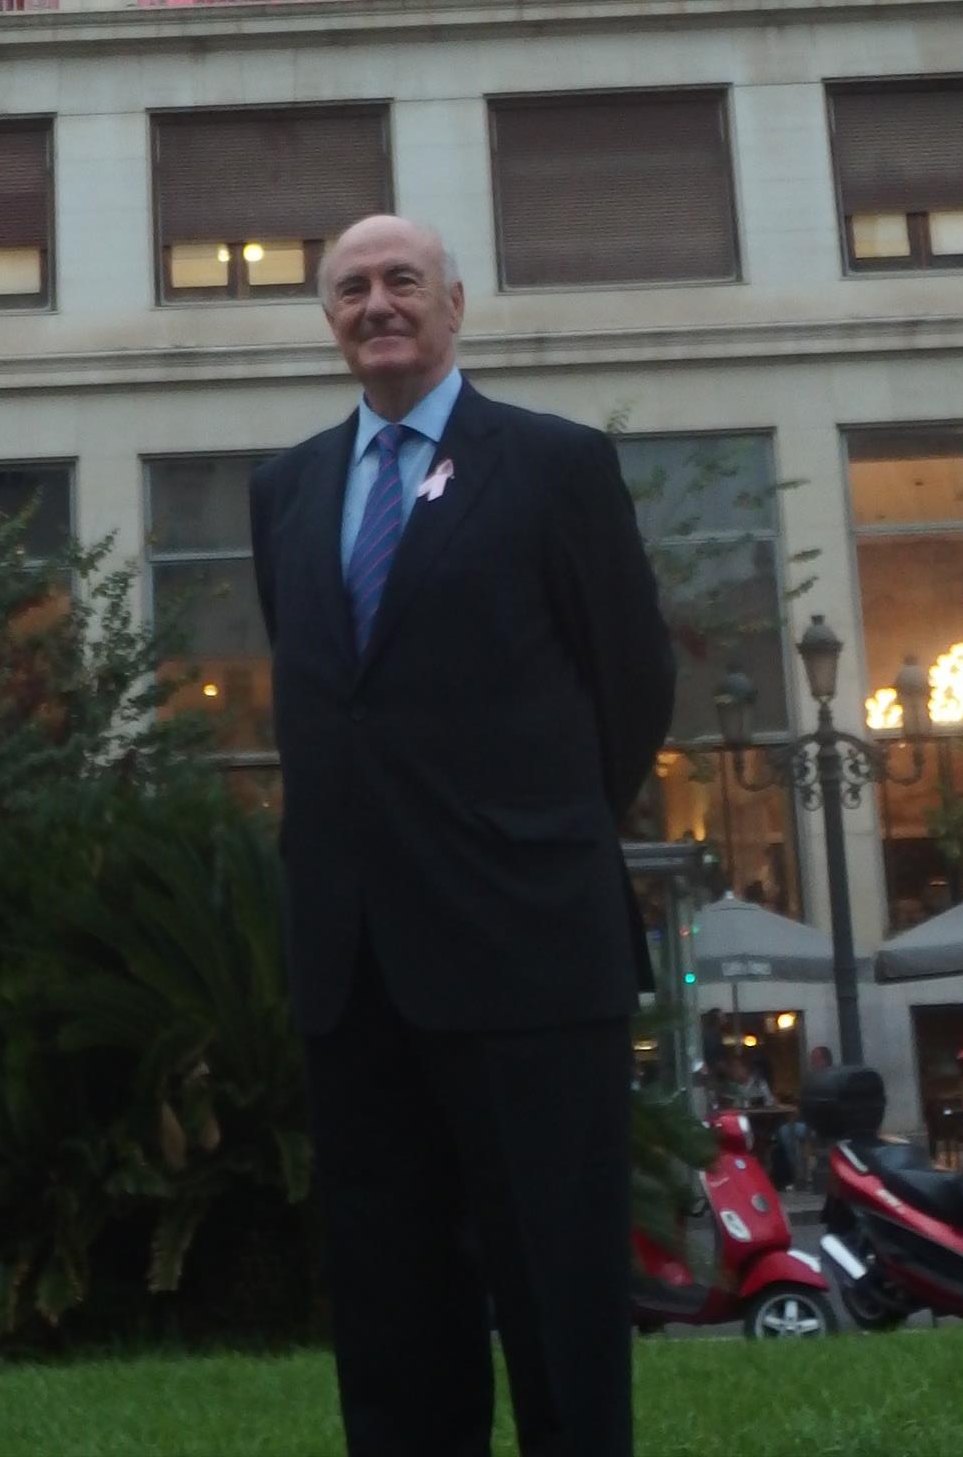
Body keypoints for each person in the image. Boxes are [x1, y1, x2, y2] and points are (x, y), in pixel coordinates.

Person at [250, 215, 675, 1457]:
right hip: (354, 965)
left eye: (401, 281)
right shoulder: (286, 488)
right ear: (328, 316)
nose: (376, 304)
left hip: (527, 946)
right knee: (389, 1309)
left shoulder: (553, 464)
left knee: (558, 1294)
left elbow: (632, 682)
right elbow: (334, 701)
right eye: (350, 288)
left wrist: (530, 837)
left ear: (454, 303)